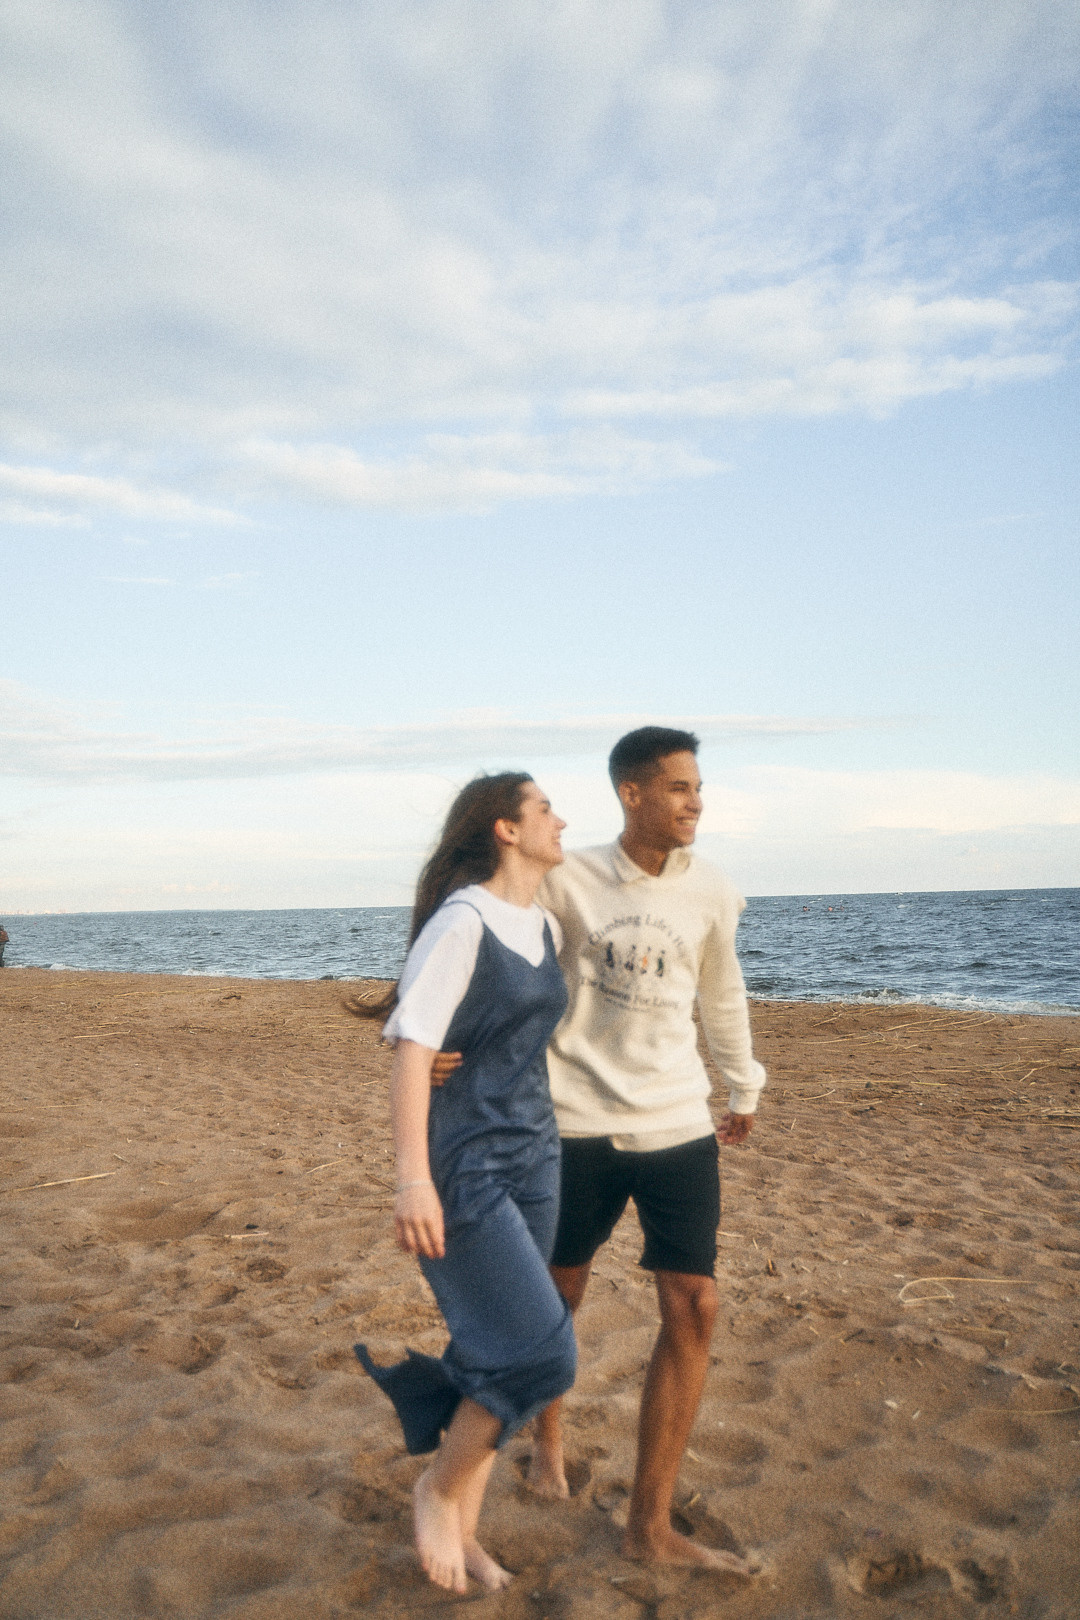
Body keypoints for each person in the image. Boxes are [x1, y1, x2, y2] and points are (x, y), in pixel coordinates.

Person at [433, 727, 765, 1575]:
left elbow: (720, 993)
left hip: (678, 1120)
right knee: (558, 1300)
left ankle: (648, 1527)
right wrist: (438, 1032)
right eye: (681, 788)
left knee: (695, 1306)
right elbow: (487, 939)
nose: (697, 802)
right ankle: (549, 1440)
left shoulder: (715, 891)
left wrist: (743, 1083)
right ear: (633, 793)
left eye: (700, 788)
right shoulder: (569, 877)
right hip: (573, 1119)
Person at [351, 772, 577, 1596]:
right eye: (546, 807)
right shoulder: (463, 920)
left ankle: (468, 1532)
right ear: (505, 828)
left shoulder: (543, 921)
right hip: (467, 1164)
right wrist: (413, 1178)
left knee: (497, 1351)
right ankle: (436, 1490)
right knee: (544, 1353)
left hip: (537, 1156)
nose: (561, 818)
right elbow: (414, 1048)